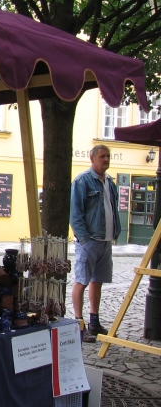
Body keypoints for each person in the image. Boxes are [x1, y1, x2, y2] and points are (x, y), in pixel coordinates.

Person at [70, 144, 120, 341]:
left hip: (106, 241)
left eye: (108, 156)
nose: (106, 159)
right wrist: (84, 239)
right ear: (92, 159)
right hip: (89, 241)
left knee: (97, 281)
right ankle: (79, 324)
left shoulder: (110, 182)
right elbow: (75, 214)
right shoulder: (83, 181)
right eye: (102, 156)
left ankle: (94, 321)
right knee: (81, 280)